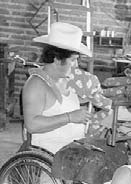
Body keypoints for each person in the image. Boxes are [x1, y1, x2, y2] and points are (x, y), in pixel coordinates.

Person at [22, 22, 93, 153]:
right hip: (51, 155)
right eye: (73, 60)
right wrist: (69, 117)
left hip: (72, 151)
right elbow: (32, 125)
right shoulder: (36, 85)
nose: (76, 65)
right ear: (57, 59)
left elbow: (57, 107)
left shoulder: (63, 79)